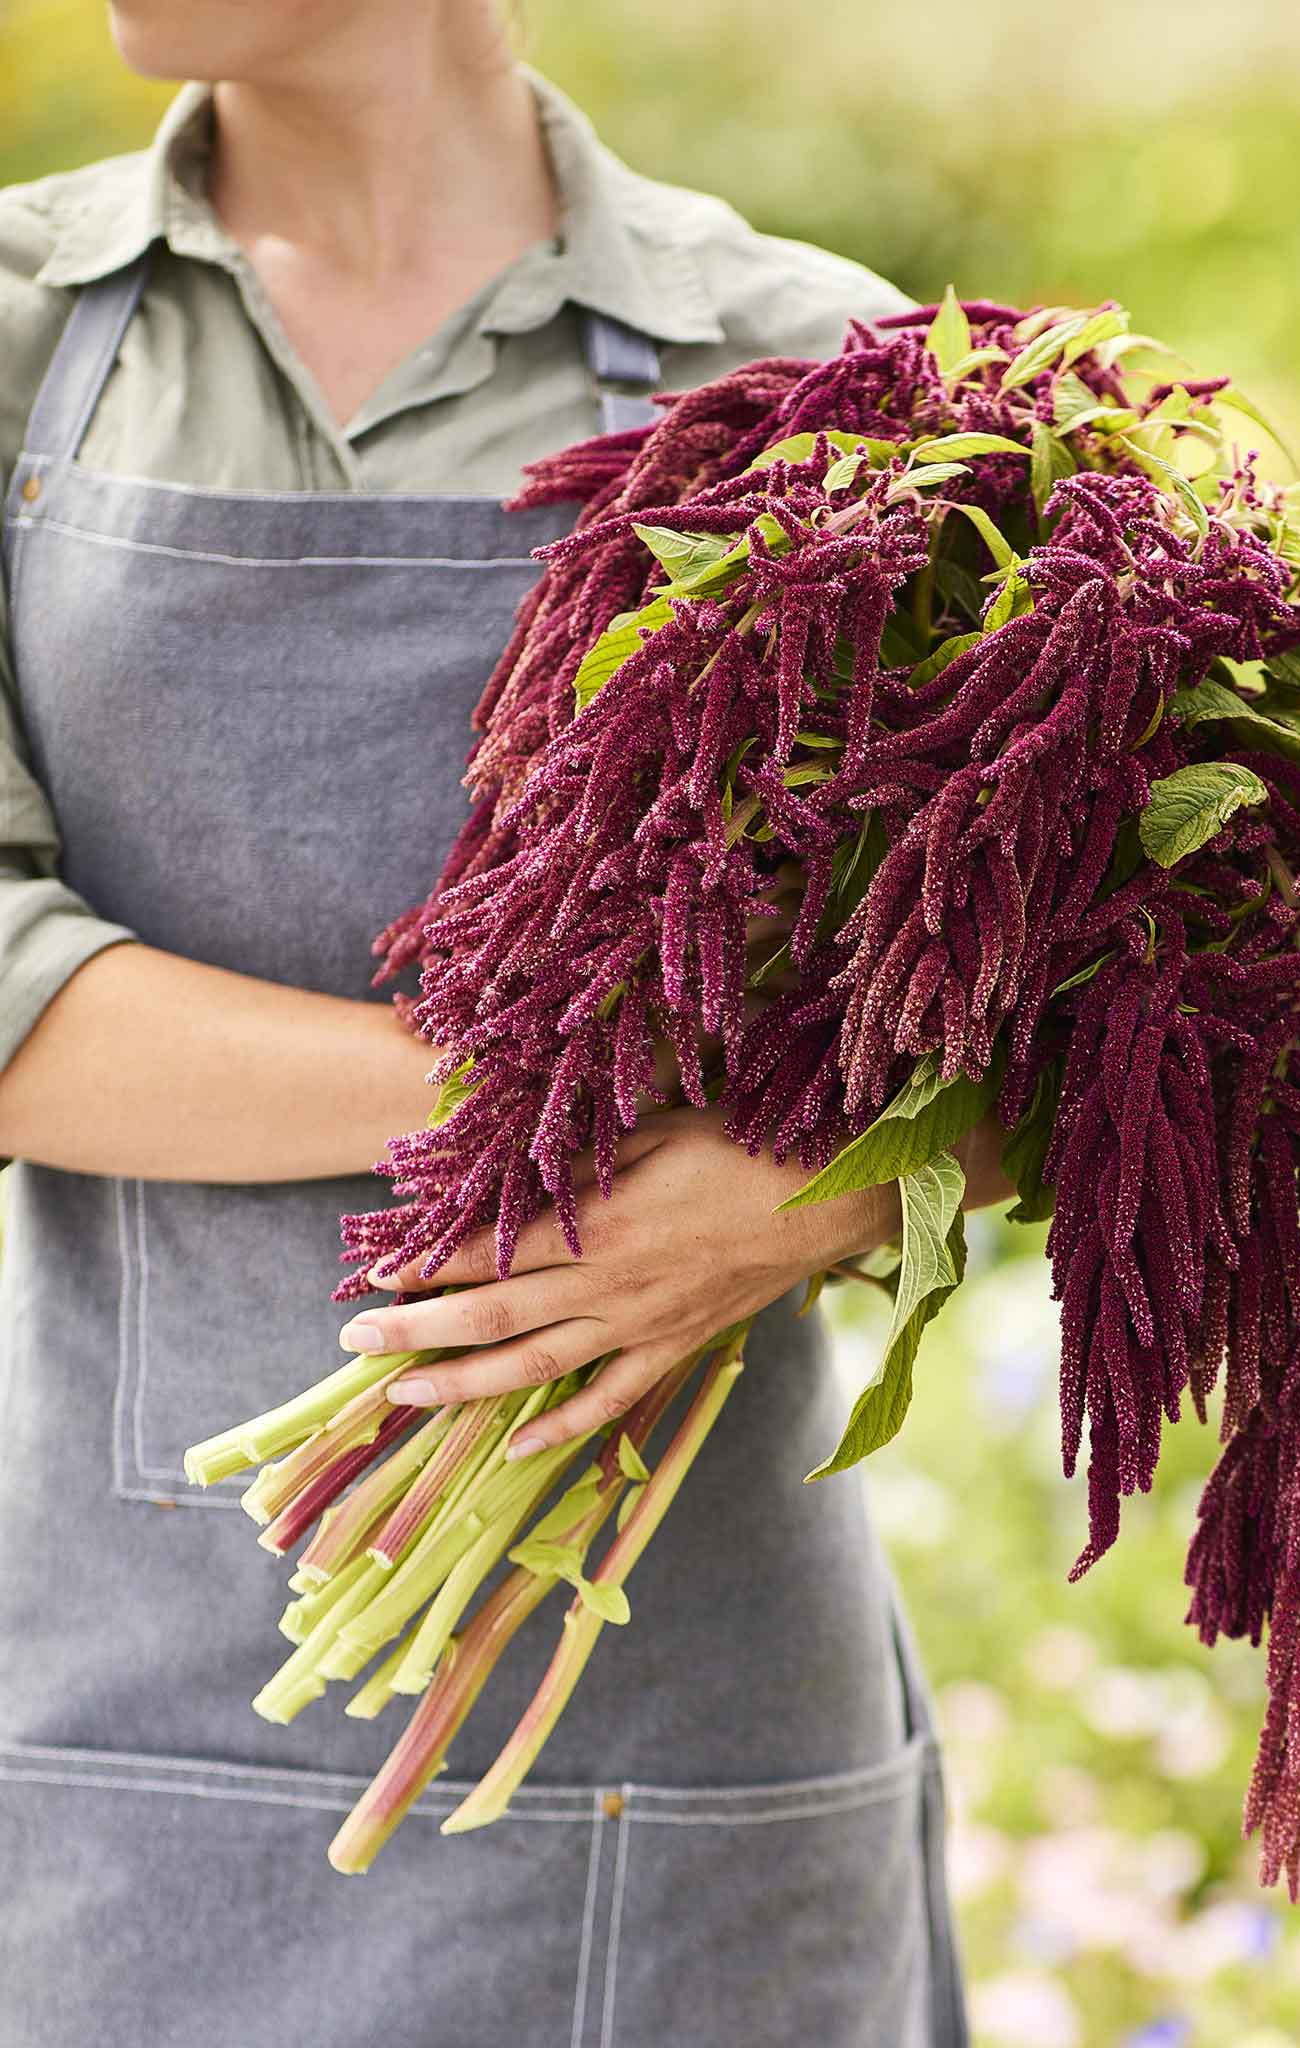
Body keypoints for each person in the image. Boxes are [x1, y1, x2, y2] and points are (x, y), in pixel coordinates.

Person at [0, 5, 991, 2042]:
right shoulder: (22, 325)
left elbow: (1048, 1014)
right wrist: (585, 1104)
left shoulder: (811, 367)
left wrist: (805, 1198)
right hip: (113, 1685)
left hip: (678, 1711)